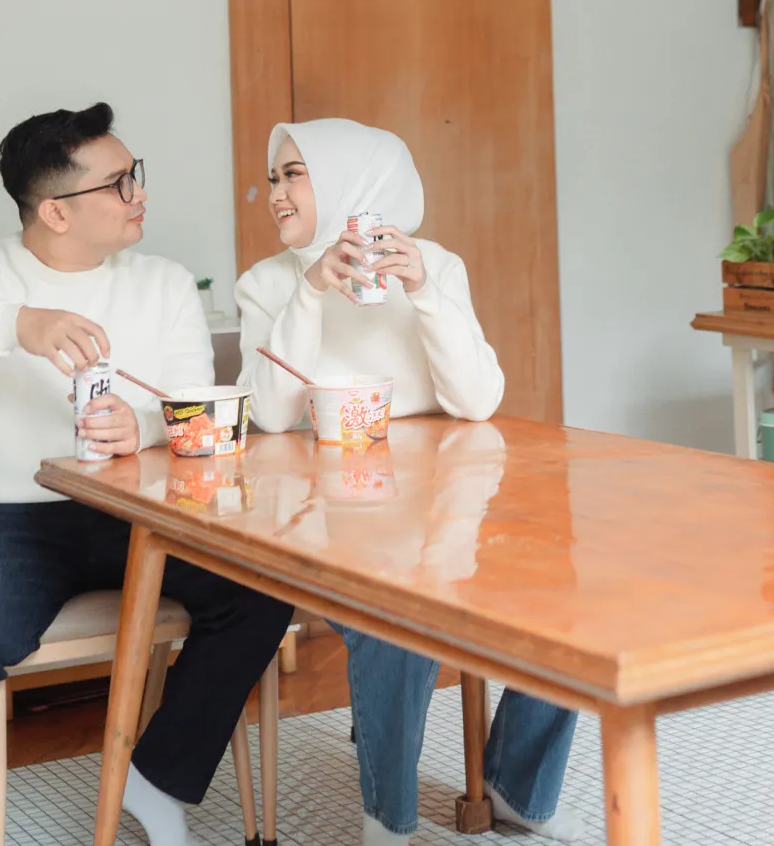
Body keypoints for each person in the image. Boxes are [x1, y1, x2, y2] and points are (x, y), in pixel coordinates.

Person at [0, 103, 293, 846]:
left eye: (136, 175)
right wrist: (16, 323)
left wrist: (145, 427)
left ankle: (156, 780)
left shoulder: (162, 283)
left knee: (263, 589)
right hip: (2, 519)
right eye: (119, 183)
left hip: (138, 511)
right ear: (56, 212)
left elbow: (186, 406)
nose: (140, 194)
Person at [235, 120, 587, 846]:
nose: (276, 193)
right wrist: (310, 292)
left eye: (294, 174)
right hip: (322, 516)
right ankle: (388, 822)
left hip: (443, 505)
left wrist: (424, 291)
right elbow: (269, 414)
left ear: (352, 182)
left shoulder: (436, 265)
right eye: (274, 177)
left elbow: (477, 401)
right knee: (395, 619)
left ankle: (518, 789)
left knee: (558, 592)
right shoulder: (266, 284)